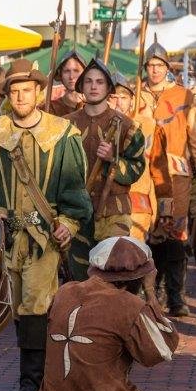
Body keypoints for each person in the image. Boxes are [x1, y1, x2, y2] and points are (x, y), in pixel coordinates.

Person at [0, 59, 92, 391]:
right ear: (6, 95)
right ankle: (43, 378)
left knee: (37, 305)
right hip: (8, 236)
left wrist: (69, 221)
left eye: (27, 90)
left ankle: (31, 384)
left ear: (39, 93)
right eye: (14, 91)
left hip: (44, 238)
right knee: (18, 309)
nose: (21, 96)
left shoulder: (62, 133)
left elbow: (73, 185)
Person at [35, 236, 184, 391]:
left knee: (88, 382)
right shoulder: (128, 305)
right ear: (140, 277)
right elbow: (160, 350)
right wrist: (151, 292)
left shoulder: (65, 292)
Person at [142, 38, 196, 317]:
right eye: (151, 65)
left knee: (175, 232)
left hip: (176, 175)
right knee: (149, 232)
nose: (155, 70)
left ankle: (177, 294)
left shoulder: (186, 97)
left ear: (167, 67)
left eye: (160, 65)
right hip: (144, 176)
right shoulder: (137, 96)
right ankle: (155, 290)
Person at [64, 59, 146, 280]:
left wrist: (113, 159)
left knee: (112, 274)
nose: (93, 86)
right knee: (79, 276)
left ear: (109, 88)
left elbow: (137, 167)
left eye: (99, 82)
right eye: (88, 81)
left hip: (113, 211)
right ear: (81, 86)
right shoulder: (64, 125)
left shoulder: (128, 126)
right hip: (75, 213)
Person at [109, 74, 157, 243]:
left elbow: (157, 166)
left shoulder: (147, 125)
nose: (118, 102)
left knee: (135, 256)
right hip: (107, 202)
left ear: (132, 100)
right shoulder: (97, 123)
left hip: (138, 200)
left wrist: (164, 204)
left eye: (123, 97)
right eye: (113, 97)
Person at [48, 50, 86, 117]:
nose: (71, 76)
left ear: (85, 74)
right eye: (67, 71)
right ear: (61, 75)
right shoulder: (50, 108)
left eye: (76, 71)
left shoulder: (95, 107)